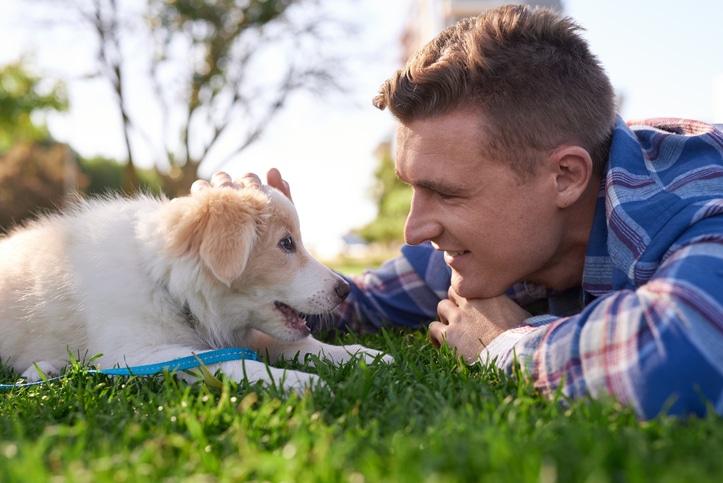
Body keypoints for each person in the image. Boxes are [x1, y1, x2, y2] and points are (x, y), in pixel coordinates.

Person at [212, 5, 723, 420]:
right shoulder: (483, 244)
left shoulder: (695, 197)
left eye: (447, 193)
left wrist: (504, 344)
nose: (414, 229)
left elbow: (685, 354)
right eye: (414, 190)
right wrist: (258, 261)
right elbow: (347, 308)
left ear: (565, 176)